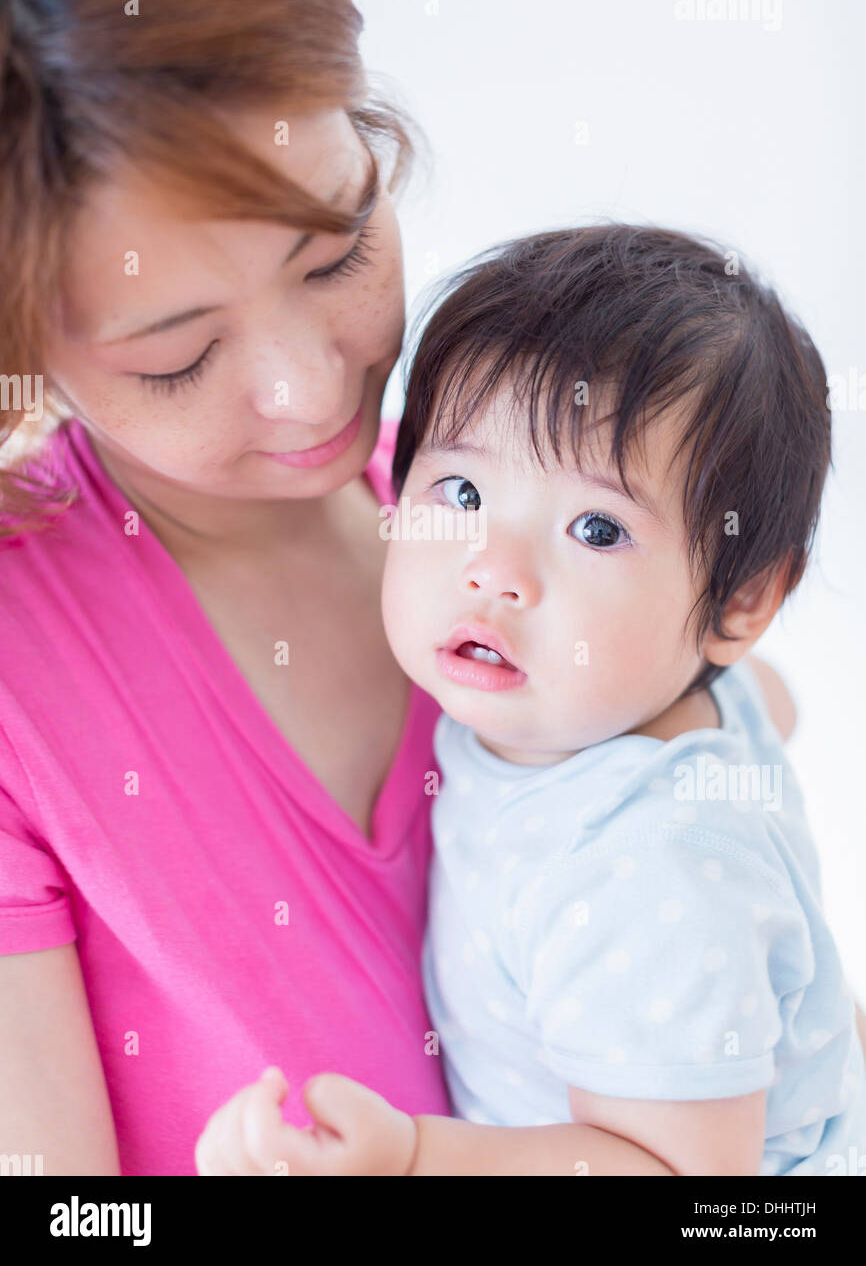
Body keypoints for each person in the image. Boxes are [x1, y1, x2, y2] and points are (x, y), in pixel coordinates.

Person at [0, 0, 856, 1178]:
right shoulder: (29, 669)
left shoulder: (484, 490)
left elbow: (744, 729)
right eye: (175, 357)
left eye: (337, 250)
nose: (316, 389)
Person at [194, 226, 866, 1176]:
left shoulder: (642, 865)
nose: (494, 573)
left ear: (743, 600)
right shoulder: (666, 698)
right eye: (461, 490)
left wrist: (413, 1159)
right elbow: (775, 704)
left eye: (596, 528)